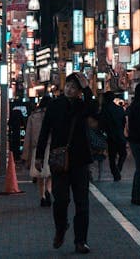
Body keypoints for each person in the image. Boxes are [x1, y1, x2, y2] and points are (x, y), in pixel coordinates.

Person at [36, 73, 99, 254]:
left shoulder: (83, 105)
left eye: (74, 87)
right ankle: (61, 228)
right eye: (68, 85)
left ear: (79, 91)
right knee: (61, 200)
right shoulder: (55, 105)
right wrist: (39, 156)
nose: (70, 89)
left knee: (82, 203)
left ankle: (81, 240)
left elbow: (95, 109)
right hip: (59, 161)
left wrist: (87, 88)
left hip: (80, 160)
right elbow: (45, 130)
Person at [26, 95, 53, 207]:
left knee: (39, 175)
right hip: (50, 147)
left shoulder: (33, 116)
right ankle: (48, 190)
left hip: (36, 148)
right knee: (50, 174)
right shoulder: (53, 115)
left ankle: (42, 196)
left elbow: (28, 135)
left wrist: (25, 154)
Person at [98, 92, 127, 182]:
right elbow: (123, 122)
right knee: (123, 154)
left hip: (110, 136)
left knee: (112, 157)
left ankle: (116, 173)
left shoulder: (104, 109)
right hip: (120, 135)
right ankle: (118, 169)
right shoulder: (120, 109)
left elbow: (102, 123)